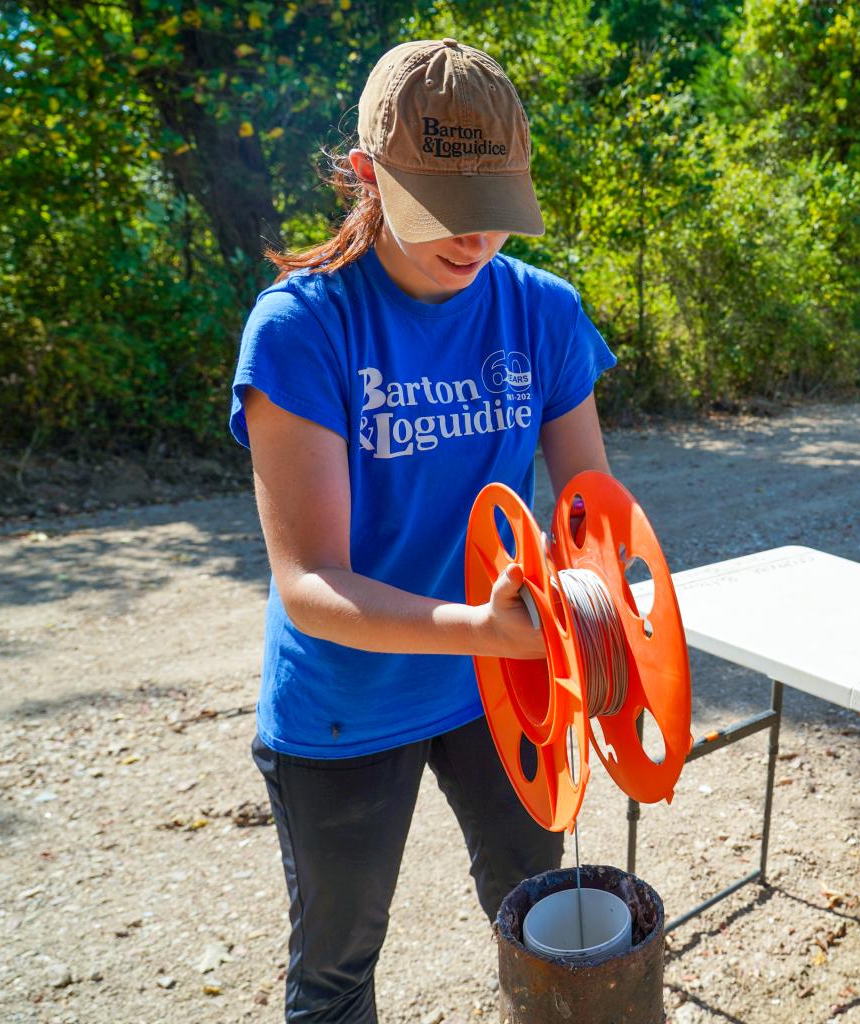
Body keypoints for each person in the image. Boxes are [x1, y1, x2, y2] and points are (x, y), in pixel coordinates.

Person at [229, 39, 616, 1021]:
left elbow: (592, 517)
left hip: (506, 683)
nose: (474, 237)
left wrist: (600, 624)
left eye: (495, 206)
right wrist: (479, 628)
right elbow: (312, 581)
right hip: (347, 700)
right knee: (336, 971)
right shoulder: (301, 328)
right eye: (443, 205)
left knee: (539, 919)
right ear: (367, 176)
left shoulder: (544, 312)